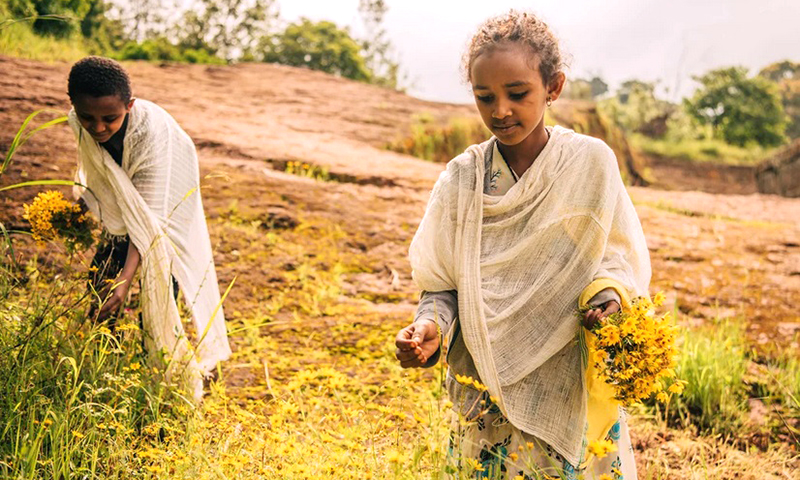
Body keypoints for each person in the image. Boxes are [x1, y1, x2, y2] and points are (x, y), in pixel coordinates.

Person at [395, 11, 651, 480]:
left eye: (518, 94)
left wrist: (610, 299)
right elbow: (443, 283)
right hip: (489, 392)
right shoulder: (462, 180)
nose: (500, 111)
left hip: (564, 383)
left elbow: (614, 256)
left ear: (553, 87)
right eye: (484, 96)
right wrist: (430, 326)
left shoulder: (589, 164)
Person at [67, 56, 232, 401]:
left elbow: (151, 223)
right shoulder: (77, 121)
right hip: (131, 200)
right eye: (88, 118)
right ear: (74, 107)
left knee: (161, 282)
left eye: (109, 118)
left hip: (169, 191)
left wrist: (125, 282)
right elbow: (97, 169)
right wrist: (81, 205)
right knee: (102, 284)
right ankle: (99, 370)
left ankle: (168, 374)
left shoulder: (152, 136)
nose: (98, 128)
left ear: (130, 105)